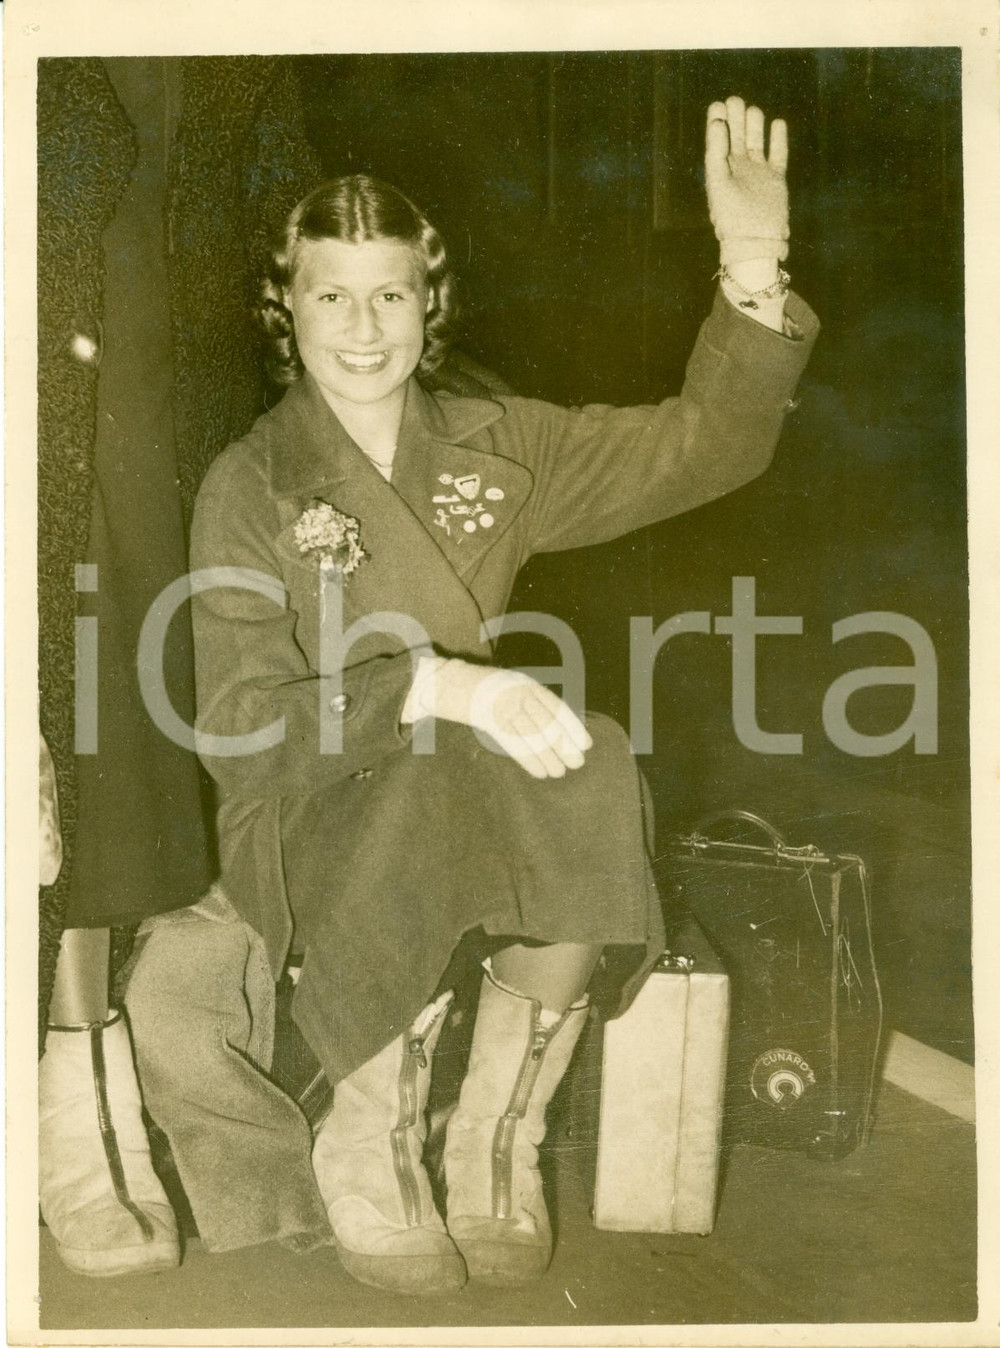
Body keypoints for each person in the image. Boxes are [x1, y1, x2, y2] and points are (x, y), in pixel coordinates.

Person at [186, 96, 818, 1295]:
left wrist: (749, 264)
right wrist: (429, 686)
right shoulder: (249, 482)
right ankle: (365, 1133)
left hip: (459, 774)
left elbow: (705, 446)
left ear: (431, 303)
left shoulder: (497, 442)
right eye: (330, 295)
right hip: (311, 803)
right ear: (287, 308)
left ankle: (494, 1137)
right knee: (434, 771)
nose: (362, 328)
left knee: (590, 757)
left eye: (389, 295)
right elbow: (237, 730)